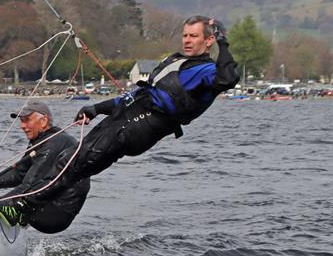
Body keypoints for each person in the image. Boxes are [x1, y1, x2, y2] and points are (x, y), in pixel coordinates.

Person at [66, 15, 239, 182]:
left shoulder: (207, 71)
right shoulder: (175, 61)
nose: (187, 40)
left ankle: (45, 192)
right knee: (72, 159)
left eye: (193, 36)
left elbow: (228, 78)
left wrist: (222, 41)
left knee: (78, 163)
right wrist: (97, 109)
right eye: (185, 35)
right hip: (123, 116)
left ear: (208, 41)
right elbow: (139, 95)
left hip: (141, 127)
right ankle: (48, 195)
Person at [0, 101, 90, 233]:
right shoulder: (41, 140)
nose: (22, 126)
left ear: (44, 121)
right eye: (21, 121)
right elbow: (19, 173)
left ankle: (13, 214)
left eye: (26, 120)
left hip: (56, 214)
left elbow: (29, 184)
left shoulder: (55, 142)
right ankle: (16, 215)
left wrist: (1, 203)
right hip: (45, 204)